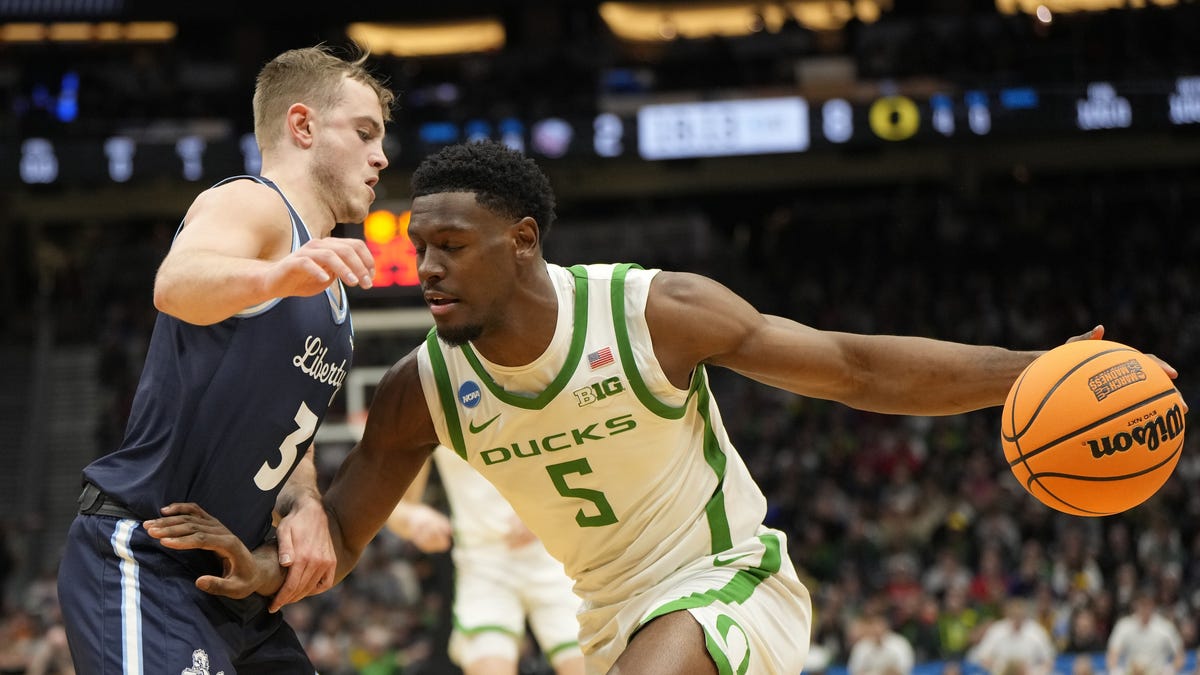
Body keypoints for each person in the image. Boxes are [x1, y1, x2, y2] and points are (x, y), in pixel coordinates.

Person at [145, 140, 1180, 674]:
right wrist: (271, 569)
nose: (428, 270)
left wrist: (1032, 370)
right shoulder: (424, 388)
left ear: (524, 243)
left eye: (451, 247)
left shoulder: (657, 312)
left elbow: (856, 367)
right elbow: (355, 530)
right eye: (421, 250)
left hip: (729, 587)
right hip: (611, 627)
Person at [56, 43, 392, 674]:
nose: (381, 155)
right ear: (303, 126)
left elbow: (291, 429)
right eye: (365, 132)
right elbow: (178, 283)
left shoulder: (327, 285)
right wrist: (277, 276)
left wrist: (305, 503)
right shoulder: (255, 205)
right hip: (146, 554)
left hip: (232, 580)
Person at [387, 446, 585, 675]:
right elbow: (395, 504)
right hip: (482, 565)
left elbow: (603, 468)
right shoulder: (431, 412)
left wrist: (550, 509)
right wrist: (413, 520)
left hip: (557, 555)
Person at [969, 596, 1056, 675]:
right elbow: (983, 656)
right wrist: (1000, 668)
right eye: (1014, 615)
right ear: (1008, 615)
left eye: (1020, 616)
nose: (1017, 619)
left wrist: (1034, 671)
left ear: (1025, 615)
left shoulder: (1036, 631)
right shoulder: (997, 630)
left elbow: (1048, 660)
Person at [1105, 589, 1185, 675]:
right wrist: (1115, 671)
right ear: (1135, 605)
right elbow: (1113, 653)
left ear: (1153, 605)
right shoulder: (1124, 626)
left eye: (1148, 604)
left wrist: (1169, 671)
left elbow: (1179, 655)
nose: (1145, 608)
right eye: (1142, 604)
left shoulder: (1165, 627)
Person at [847, 609, 916, 675]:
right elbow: (855, 671)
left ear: (886, 625)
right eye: (873, 624)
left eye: (879, 624)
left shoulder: (900, 644)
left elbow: (904, 670)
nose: (876, 628)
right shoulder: (861, 646)